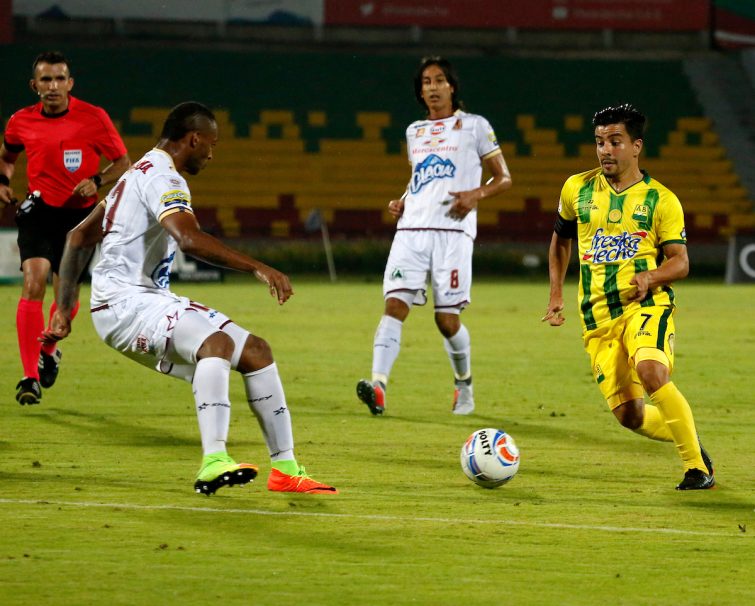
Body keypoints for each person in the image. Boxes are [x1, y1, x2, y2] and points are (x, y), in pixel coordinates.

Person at [42, 101, 337, 496]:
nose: (212, 154)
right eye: (210, 145)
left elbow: (78, 237)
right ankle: (213, 461)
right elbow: (188, 238)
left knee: (256, 351)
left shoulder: (137, 172)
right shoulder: (165, 177)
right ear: (194, 138)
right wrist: (257, 267)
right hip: (125, 304)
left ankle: (284, 469)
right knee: (215, 344)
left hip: (142, 299)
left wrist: (64, 309)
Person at [542, 103, 714, 491]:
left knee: (652, 372)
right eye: (600, 142)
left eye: (615, 142)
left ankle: (696, 469)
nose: (605, 150)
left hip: (646, 306)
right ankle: (688, 438)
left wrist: (650, 276)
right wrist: (556, 295)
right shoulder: (577, 189)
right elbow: (560, 243)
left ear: (636, 146)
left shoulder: (661, 200)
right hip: (597, 317)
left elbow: (680, 262)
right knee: (629, 415)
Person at [356, 56, 512, 416]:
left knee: (447, 320)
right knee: (395, 305)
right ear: (420, 91)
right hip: (410, 232)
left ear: (452, 87)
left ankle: (464, 385)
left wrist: (476, 195)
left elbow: (504, 178)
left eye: (439, 80)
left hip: (453, 232)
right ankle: (378, 385)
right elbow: (421, 180)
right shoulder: (415, 131)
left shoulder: (474, 126)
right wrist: (403, 200)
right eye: (426, 82)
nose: (432, 87)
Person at [0, 50, 130, 405]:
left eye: (60, 78)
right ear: (34, 85)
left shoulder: (94, 118)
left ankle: (49, 349)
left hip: (80, 219)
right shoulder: (20, 121)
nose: (53, 85)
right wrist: (2, 181)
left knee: (65, 299)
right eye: (46, 79)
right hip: (39, 209)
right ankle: (29, 379)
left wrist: (97, 180)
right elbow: (8, 156)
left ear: (70, 83)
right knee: (32, 283)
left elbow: (123, 161)